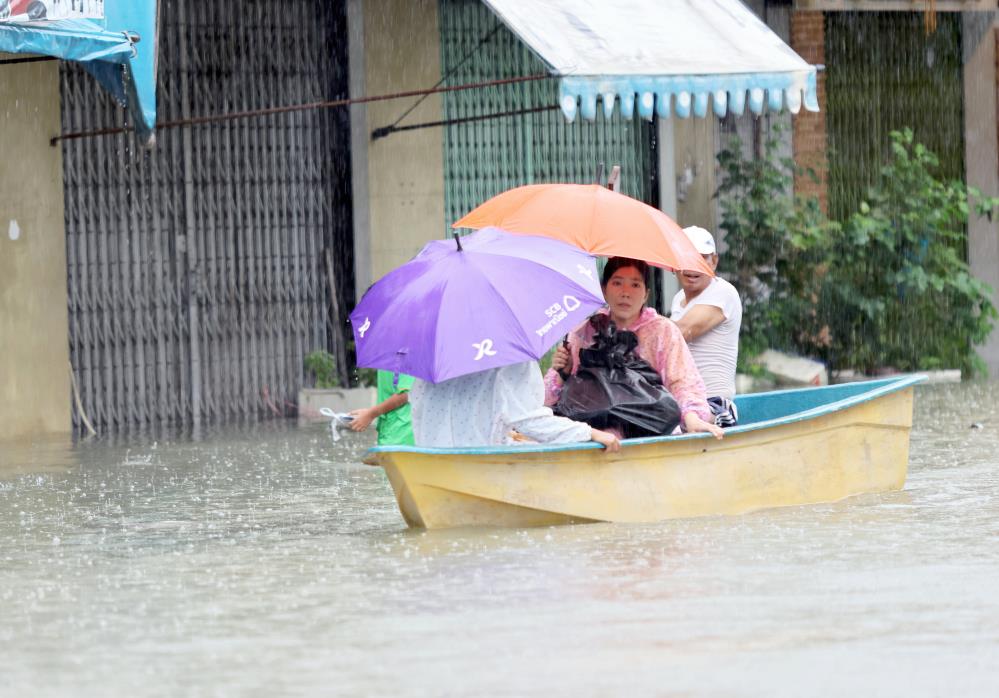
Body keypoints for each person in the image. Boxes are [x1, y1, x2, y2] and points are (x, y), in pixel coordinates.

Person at [545, 257, 724, 439]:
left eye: (635, 285)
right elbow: (548, 401)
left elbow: (683, 382)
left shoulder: (662, 331)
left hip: (651, 433)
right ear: (604, 290)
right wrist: (562, 374)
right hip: (592, 435)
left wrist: (692, 418)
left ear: (646, 294)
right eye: (617, 283)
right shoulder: (584, 332)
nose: (625, 293)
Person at [409, 361, 620, 451]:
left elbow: (417, 411)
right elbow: (530, 421)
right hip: (483, 462)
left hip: (433, 455)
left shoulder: (432, 357)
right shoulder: (512, 353)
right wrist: (591, 433)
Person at [669, 226, 742, 427]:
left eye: (702, 258)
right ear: (675, 262)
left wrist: (634, 323)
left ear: (714, 261)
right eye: (687, 258)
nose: (694, 267)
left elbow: (679, 333)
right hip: (680, 404)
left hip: (714, 405)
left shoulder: (723, 292)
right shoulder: (678, 299)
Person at [348, 369, 416, 446]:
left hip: (403, 432)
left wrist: (371, 414)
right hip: (390, 429)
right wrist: (368, 413)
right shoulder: (385, 361)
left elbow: (405, 395)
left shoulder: (406, 357)